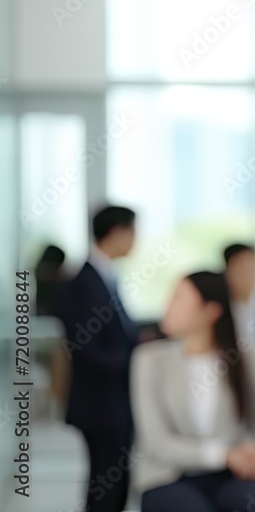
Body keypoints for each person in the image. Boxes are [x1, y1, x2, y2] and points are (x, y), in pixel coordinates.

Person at [131, 271, 255, 512]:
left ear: (210, 311)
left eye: (179, 298)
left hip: (231, 476)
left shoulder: (244, 356)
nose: (167, 306)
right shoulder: (149, 359)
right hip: (169, 477)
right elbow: (156, 442)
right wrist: (226, 455)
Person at [57, 205, 139, 512]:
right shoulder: (84, 282)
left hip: (110, 402)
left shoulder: (104, 276)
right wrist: (136, 361)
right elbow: (88, 350)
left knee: (113, 483)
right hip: (100, 405)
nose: (135, 241)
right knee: (105, 486)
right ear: (117, 233)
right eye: (133, 232)